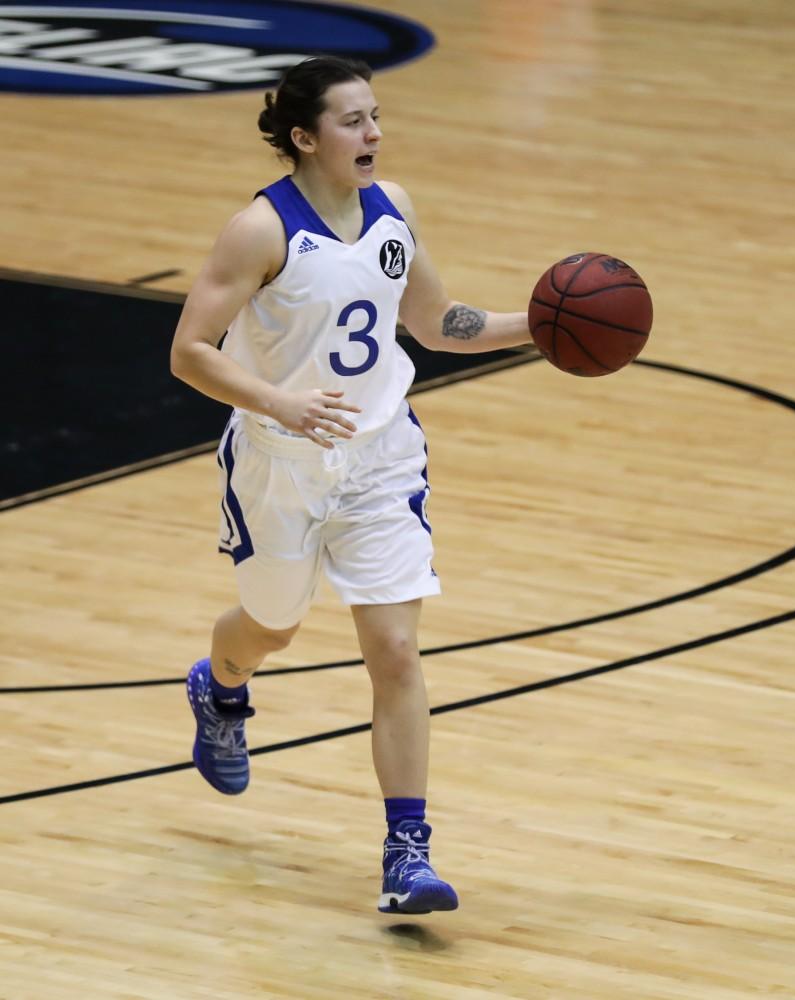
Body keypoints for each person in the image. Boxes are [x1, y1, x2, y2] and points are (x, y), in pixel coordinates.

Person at [170, 55, 531, 915]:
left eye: (376, 116)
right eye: (353, 121)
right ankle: (219, 685)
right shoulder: (259, 230)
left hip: (380, 456)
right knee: (271, 626)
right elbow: (190, 351)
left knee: (397, 651)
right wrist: (278, 401)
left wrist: (542, 329)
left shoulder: (392, 209)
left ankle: (408, 854)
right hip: (277, 459)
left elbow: (437, 323)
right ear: (304, 137)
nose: (374, 134)